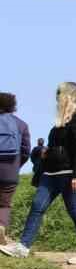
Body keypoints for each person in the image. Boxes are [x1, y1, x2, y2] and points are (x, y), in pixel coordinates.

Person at [2, 82, 76, 264]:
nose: (56, 99)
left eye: (58, 95)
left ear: (67, 96)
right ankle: (23, 247)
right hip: (51, 172)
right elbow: (58, 146)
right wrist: (44, 151)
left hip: (70, 172)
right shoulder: (62, 120)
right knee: (37, 206)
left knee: (75, 210)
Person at [0, 94, 32, 246]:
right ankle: (1, 226)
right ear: (13, 106)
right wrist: (16, 165)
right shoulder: (21, 125)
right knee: (4, 204)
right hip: (10, 171)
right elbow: (26, 151)